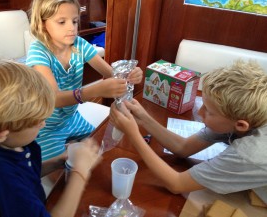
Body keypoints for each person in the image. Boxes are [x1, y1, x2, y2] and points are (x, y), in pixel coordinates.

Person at [110, 60, 267, 196]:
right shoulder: (235, 118)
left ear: (240, 125)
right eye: (203, 104)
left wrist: (134, 135)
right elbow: (183, 147)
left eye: (209, 112)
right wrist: (144, 119)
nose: (199, 112)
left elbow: (177, 185)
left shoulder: (250, 154)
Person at [0, 58, 102, 217]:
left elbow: (24, 173)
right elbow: (14, 181)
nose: (43, 124)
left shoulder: (10, 143)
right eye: (36, 122)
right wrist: (80, 172)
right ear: (2, 134)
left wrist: (56, 161)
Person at [26, 0, 143, 161]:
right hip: (45, 127)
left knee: (99, 149)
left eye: (74, 21)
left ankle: (70, 146)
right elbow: (54, 99)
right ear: (43, 25)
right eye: (61, 22)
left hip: (71, 118)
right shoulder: (38, 52)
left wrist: (128, 76)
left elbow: (111, 74)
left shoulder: (79, 44)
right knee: (60, 171)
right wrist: (91, 91)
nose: (71, 28)